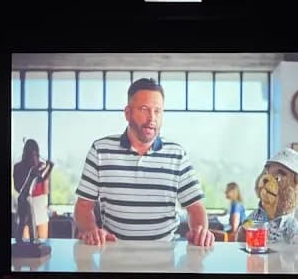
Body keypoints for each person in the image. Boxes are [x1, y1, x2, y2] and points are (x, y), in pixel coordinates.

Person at [73, 77, 213, 247]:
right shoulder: (100, 150)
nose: (151, 118)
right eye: (144, 109)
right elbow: (83, 206)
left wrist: (200, 231)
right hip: (113, 253)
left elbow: (195, 207)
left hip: (165, 256)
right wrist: (91, 230)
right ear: (128, 113)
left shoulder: (177, 154)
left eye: (158, 111)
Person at [245, 148, 298, 244]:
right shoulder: (256, 216)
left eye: (277, 177)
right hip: (255, 257)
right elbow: (243, 233)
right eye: (266, 174)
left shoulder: (290, 226)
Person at [13, 139, 52, 242]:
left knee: (42, 242)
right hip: (27, 202)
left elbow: (46, 189)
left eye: (36, 154)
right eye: (32, 154)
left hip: (40, 205)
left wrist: (48, 168)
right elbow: (18, 187)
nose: (34, 157)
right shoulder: (20, 167)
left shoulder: (40, 167)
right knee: (24, 240)